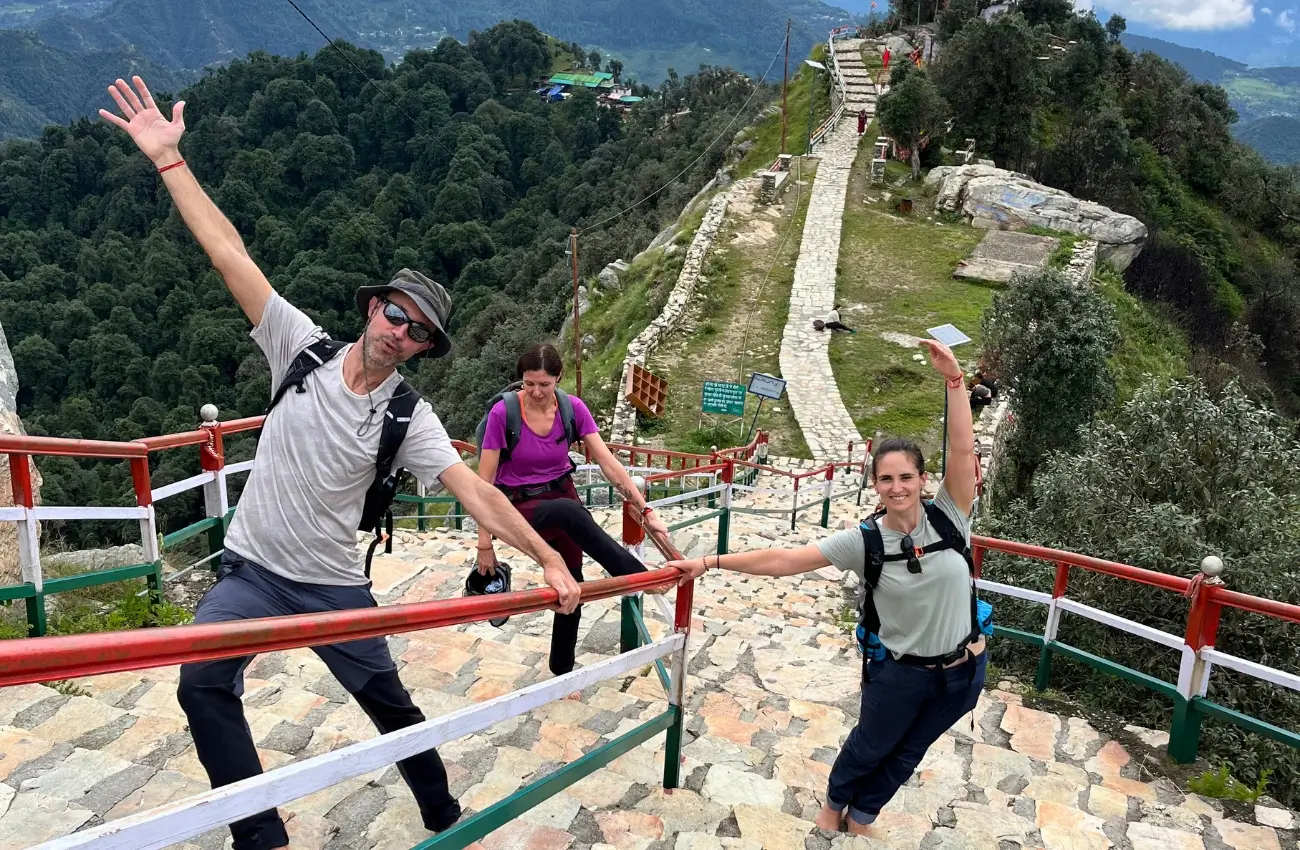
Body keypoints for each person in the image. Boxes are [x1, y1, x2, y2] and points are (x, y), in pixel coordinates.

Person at [100, 76, 583, 850]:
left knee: (391, 708)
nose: (401, 333)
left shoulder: (409, 415)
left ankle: (441, 811)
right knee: (201, 681)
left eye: (419, 332)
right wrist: (168, 162)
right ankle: (260, 835)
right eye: (396, 314)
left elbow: (475, 493)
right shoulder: (300, 348)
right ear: (372, 307)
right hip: (252, 570)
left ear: (425, 349)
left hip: (331, 584)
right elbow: (230, 253)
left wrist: (545, 561)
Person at [670, 338, 983, 837]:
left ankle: (863, 816)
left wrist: (954, 381)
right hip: (901, 672)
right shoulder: (865, 540)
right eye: (886, 479)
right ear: (875, 484)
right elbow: (785, 560)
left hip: (965, 668)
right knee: (871, 744)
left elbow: (963, 449)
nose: (897, 487)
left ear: (924, 480)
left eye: (906, 477)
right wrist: (710, 560)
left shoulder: (950, 515)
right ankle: (835, 802)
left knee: (911, 750)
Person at [476, 343, 670, 680]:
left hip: (561, 494)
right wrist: (484, 544)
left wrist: (644, 509)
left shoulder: (572, 409)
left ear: (558, 379)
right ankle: (636, 577)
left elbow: (608, 463)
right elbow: (484, 483)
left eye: (544, 384)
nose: (536, 392)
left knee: (573, 584)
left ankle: (561, 669)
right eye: (528, 384)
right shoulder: (502, 415)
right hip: (519, 505)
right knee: (570, 511)